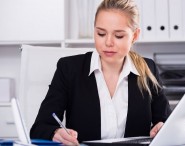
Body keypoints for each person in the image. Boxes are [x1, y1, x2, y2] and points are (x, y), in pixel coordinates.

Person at [30, 0, 171, 145]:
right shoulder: (68, 68)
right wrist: (55, 133)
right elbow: (39, 127)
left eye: (119, 36)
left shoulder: (149, 69)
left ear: (134, 36)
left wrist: (162, 128)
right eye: (101, 33)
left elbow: (167, 122)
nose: (108, 42)